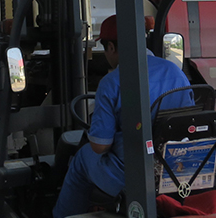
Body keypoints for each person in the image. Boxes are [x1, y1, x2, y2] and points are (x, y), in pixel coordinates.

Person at [52, 15, 193, 218]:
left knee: (83, 157)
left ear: (111, 47)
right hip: (179, 167)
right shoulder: (175, 72)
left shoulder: (112, 82)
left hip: (134, 174)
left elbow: (100, 146)